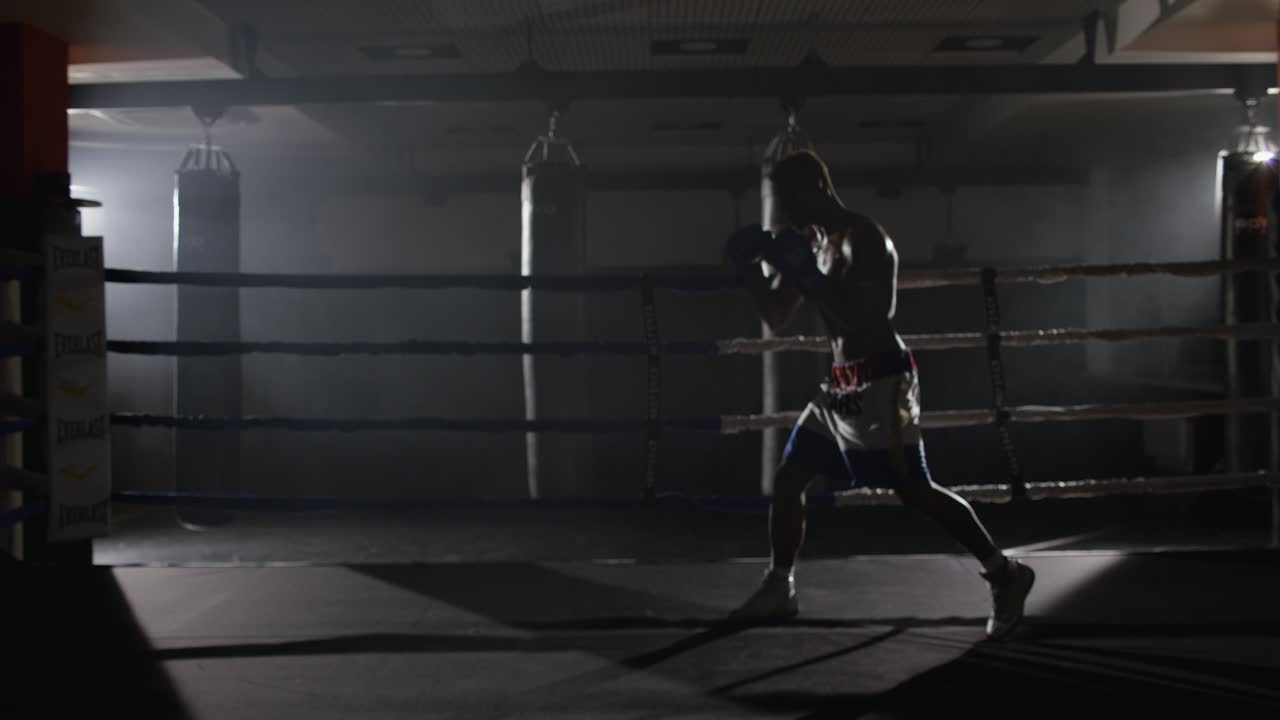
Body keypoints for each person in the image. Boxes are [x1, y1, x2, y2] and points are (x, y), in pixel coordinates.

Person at [724, 149, 1034, 640]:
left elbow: (870, 317)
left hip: (883, 382)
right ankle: (779, 586)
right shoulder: (810, 240)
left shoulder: (866, 238)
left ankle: (1004, 573)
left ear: (817, 188)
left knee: (914, 489)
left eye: (790, 199)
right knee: (789, 479)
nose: (786, 211)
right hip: (841, 384)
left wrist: (810, 276)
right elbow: (778, 314)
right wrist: (749, 271)